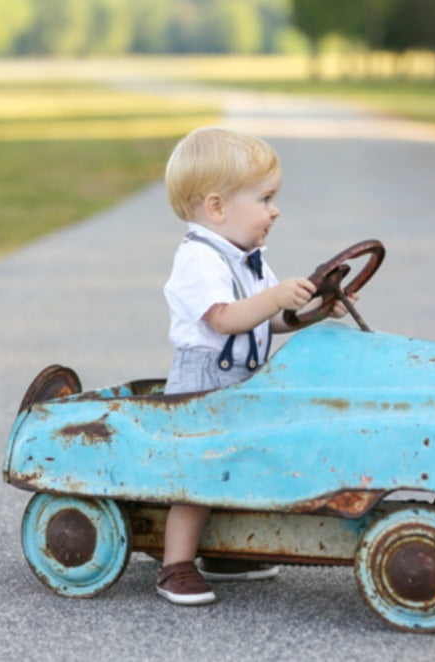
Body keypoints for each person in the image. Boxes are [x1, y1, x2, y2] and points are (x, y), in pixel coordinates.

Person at [157, 126, 353, 605]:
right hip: (203, 383)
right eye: (265, 199)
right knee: (200, 473)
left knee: (243, 465)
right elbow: (225, 319)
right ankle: (175, 566)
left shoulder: (248, 258)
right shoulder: (198, 259)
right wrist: (275, 296)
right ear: (217, 207)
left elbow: (267, 321)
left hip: (242, 379)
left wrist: (315, 312)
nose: (275, 210)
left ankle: (225, 553)